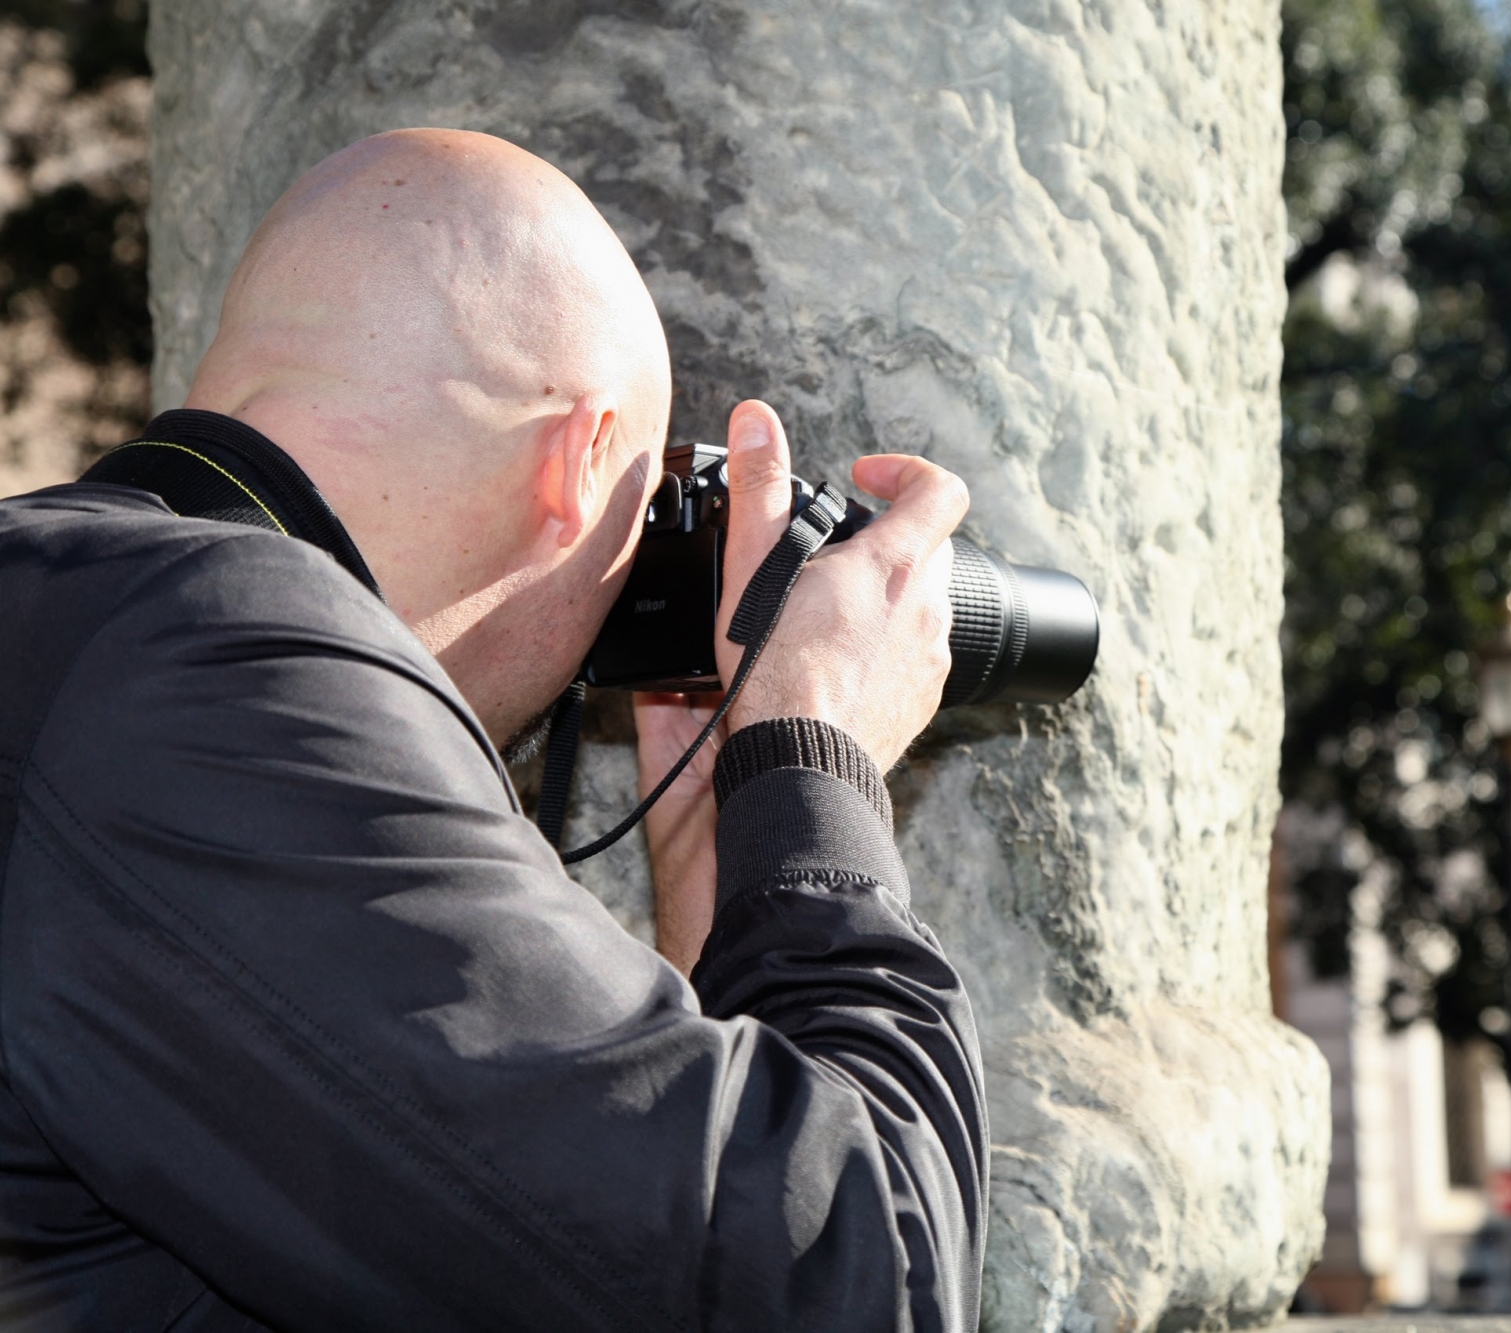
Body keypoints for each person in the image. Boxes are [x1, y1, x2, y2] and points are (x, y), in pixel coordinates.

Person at [0, 128, 986, 1331]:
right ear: (580, 458)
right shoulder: (214, 665)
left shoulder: (80, 627)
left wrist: (714, 917)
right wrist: (810, 751)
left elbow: (521, 1253)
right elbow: (847, 1273)